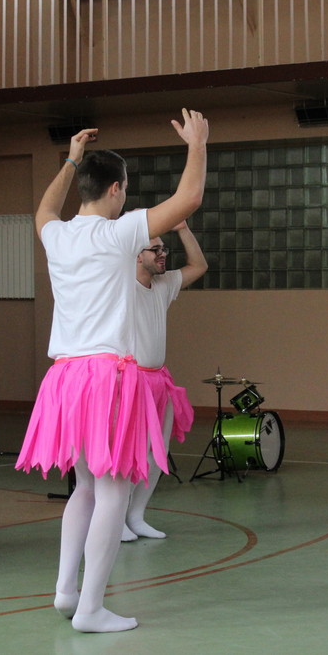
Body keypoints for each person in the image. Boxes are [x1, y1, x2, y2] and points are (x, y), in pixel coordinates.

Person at [14, 108, 209, 633]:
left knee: (84, 487)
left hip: (65, 378)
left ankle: (66, 590)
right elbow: (189, 199)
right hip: (108, 377)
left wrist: (70, 159)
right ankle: (91, 608)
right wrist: (197, 144)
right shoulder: (120, 234)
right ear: (118, 189)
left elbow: (44, 208)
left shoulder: (58, 235)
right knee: (113, 493)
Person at [122, 221, 207, 541]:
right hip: (129, 382)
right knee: (127, 453)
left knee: (156, 453)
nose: (162, 254)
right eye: (154, 249)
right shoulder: (119, 286)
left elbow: (199, 265)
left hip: (159, 380)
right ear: (135, 255)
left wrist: (183, 229)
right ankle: (115, 519)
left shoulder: (164, 284)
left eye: (163, 248)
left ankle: (136, 516)